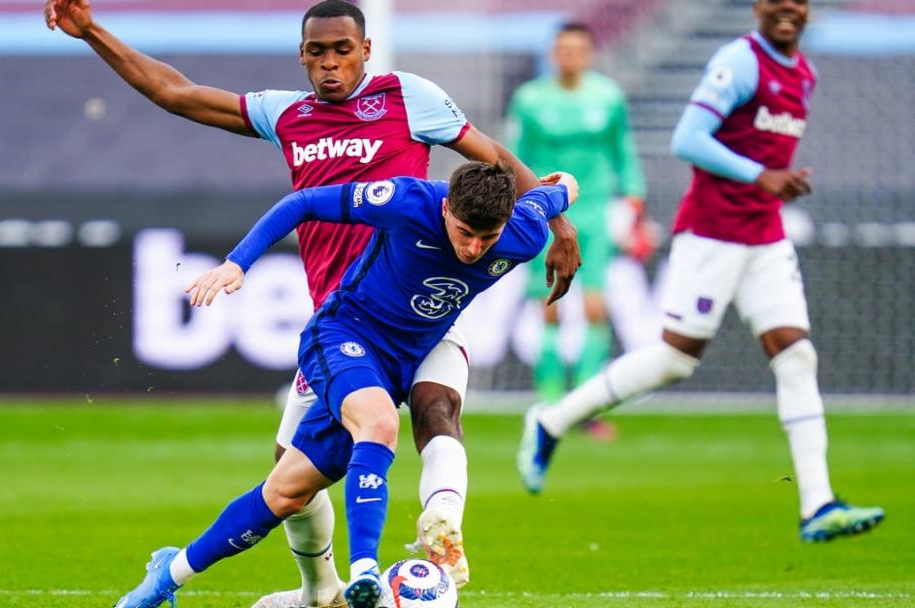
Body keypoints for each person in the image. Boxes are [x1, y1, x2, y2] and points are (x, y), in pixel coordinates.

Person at [44, 1, 581, 604]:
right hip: (343, 320)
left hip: (421, 319)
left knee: (435, 411)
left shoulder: (411, 97)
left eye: (342, 51)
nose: (330, 64)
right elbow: (175, 92)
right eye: (317, 52)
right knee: (290, 481)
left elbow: (496, 164)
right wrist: (91, 30)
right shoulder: (286, 113)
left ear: (366, 50)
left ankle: (434, 533)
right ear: (302, 55)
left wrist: (560, 227)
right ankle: (318, 590)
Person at [112, 162, 576, 608]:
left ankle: (168, 573)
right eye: (465, 233)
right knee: (378, 422)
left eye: (486, 238)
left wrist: (565, 224)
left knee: (286, 492)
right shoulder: (408, 201)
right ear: (446, 210)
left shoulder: (525, 232)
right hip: (344, 334)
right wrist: (238, 263)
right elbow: (304, 202)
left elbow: (564, 187)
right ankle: (366, 571)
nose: (474, 249)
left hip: (413, 351)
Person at [516, 0, 885, 543]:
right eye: (775, 0)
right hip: (712, 234)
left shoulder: (803, 71)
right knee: (673, 361)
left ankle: (818, 505)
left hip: (765, 236)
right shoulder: (739, 62)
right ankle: (550, 421)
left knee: (796, 353)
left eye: (797, 1)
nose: (787, 9)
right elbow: (686, 138)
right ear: (758, 7)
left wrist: (766, 184)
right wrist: (761, 175)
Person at [506, 22, 650, 440]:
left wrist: (634, 196)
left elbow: (623, 149)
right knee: (549, 308)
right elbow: (518, 156)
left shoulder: (607, 97)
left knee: (594, 308)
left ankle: (586, 407)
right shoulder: (530, 100)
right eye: (563, 49)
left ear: (587, 54)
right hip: (544, 211)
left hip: (594, 212)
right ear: (554, 54)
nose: (570, 56)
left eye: (577, 50)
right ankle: (549, 404)